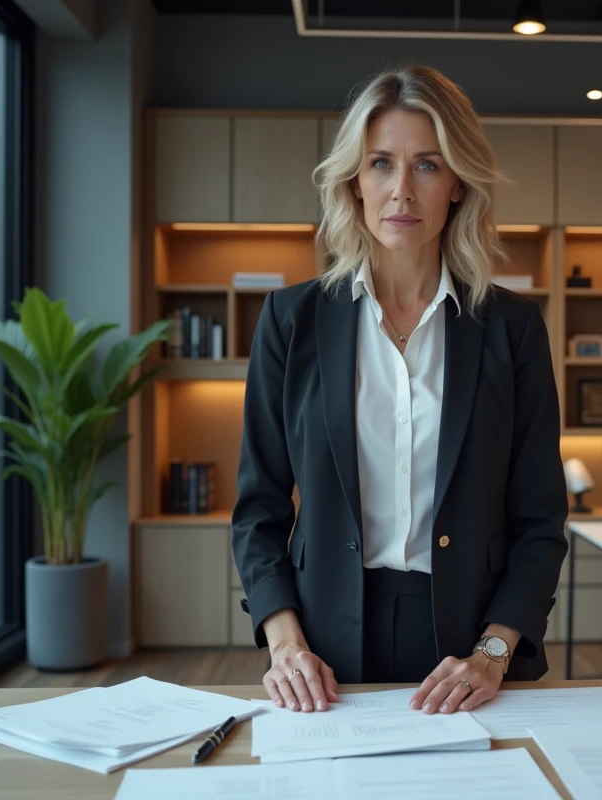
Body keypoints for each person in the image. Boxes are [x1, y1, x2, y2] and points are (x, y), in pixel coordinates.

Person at [231, 64, 568, 717]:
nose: (401, 192)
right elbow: (258, 510)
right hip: (322, 656)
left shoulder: (514, 327)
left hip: (474, 652)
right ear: (354, 181)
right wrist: (284, 643)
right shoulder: (289, 321)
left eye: (427, 166)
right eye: (381, 163)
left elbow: (539, 520)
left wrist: (493, 652)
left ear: (459, 185)